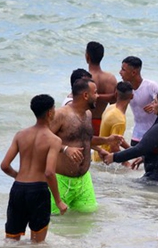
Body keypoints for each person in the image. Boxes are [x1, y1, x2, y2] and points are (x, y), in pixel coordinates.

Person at [0, 94, 67, 243]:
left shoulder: (20, 135)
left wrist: (18, 175)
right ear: (50, 112)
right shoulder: (53, 140)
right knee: (38, 244)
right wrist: (58, 201)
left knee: (11, 241)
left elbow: (4, 165)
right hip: (38, 191)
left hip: (18, 189)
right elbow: (49, 172)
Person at [49, 79, 122, 213]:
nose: (98, 96)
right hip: (60, 180)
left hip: (84, 180)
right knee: (55, 223)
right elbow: (42, 140)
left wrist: (106, 141)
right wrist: (65, 149)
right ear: (85, 95)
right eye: (95, 93)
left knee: (88, 222)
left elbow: (85, 139)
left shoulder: (88, 114)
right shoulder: (61, 115)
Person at [104, 90, 158, 181]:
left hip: (157, 175)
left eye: (155, 102)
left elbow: (139, 149)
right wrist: (144, 157)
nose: (152, 104)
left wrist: (114, 157)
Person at [118, 56, 158, 146]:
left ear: (133, 72)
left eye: (123, 70)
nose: (120, 72)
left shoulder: (150, 86)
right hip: (137, 134)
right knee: (136, 159)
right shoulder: (126, 89)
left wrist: (155, 105)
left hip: (153, 133)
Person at [92, 81, 133, 162]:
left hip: (96, 155)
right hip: (104, 161)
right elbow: (114, 148)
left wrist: (132, 150)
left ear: (116, 94)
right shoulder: (120, 120)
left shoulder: (110, 107)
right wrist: (127, 164)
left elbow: (117, 138)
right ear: (132, 96)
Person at [85, 41, 118, 135]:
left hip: (85, 122)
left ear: (87, 57)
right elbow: (114, 104)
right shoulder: (110, 78)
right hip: (103, 123)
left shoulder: (84, 78)